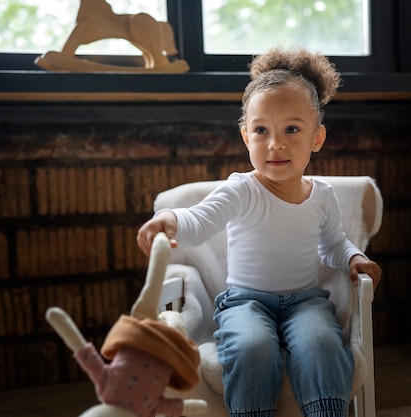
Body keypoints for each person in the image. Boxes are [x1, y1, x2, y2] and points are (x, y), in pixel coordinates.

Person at [137, 46, 382, 417]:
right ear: (246, 137)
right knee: (252, 347)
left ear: (317, 138)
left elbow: (333, 244)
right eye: (261, 130)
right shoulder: (242, 189)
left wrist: (353, 256)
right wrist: (171, 220)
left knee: (320, 343)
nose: (275, 143)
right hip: (245, 302)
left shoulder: (322, 196)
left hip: (306, 301)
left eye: (292, 129)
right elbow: (200, 220)